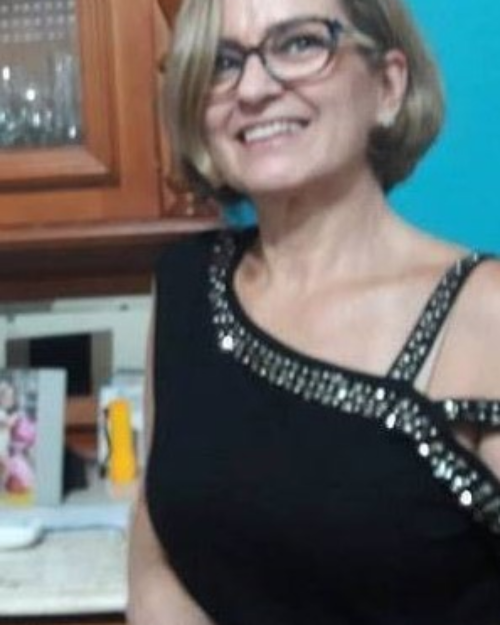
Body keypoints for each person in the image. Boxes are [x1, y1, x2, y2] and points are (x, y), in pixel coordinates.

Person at [128, 0, 500, 623]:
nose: (252, 89)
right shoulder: (186, 284)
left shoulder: (483, 313)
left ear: (388, 85)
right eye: (222, 63)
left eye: (300, 44)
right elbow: (154, 548)